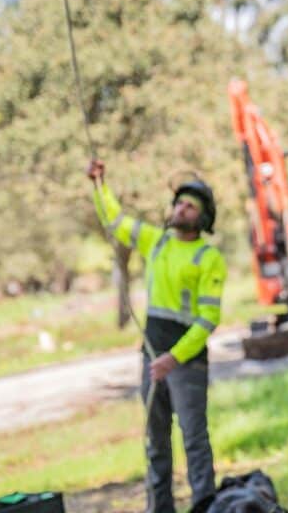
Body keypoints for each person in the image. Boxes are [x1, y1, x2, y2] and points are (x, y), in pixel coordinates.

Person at [87, 159, 226, 513]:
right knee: (156, 443)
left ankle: (204, 507)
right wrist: (100, 184)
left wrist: (174, 358)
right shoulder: (157, 242)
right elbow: (115, 221)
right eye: (179, 202)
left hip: (186, 365)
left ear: (203, 217)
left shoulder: (209, 258)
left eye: (190, 205)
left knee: (194, 441)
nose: (181, 207)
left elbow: (208, 319)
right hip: (152, 358)